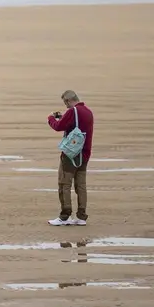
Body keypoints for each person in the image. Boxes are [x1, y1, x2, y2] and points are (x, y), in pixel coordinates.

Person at [47, 90, 94, 226]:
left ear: (68, 100)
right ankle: (81, 217)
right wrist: (64, 117)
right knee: (81, 185)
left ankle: (65, 216)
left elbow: (58, 126)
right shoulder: (88, 112)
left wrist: (50, 118)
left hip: (71, 154)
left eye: (65, 103)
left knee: (64, 184)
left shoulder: (73, 111)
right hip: (85, 153)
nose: (66, 106)